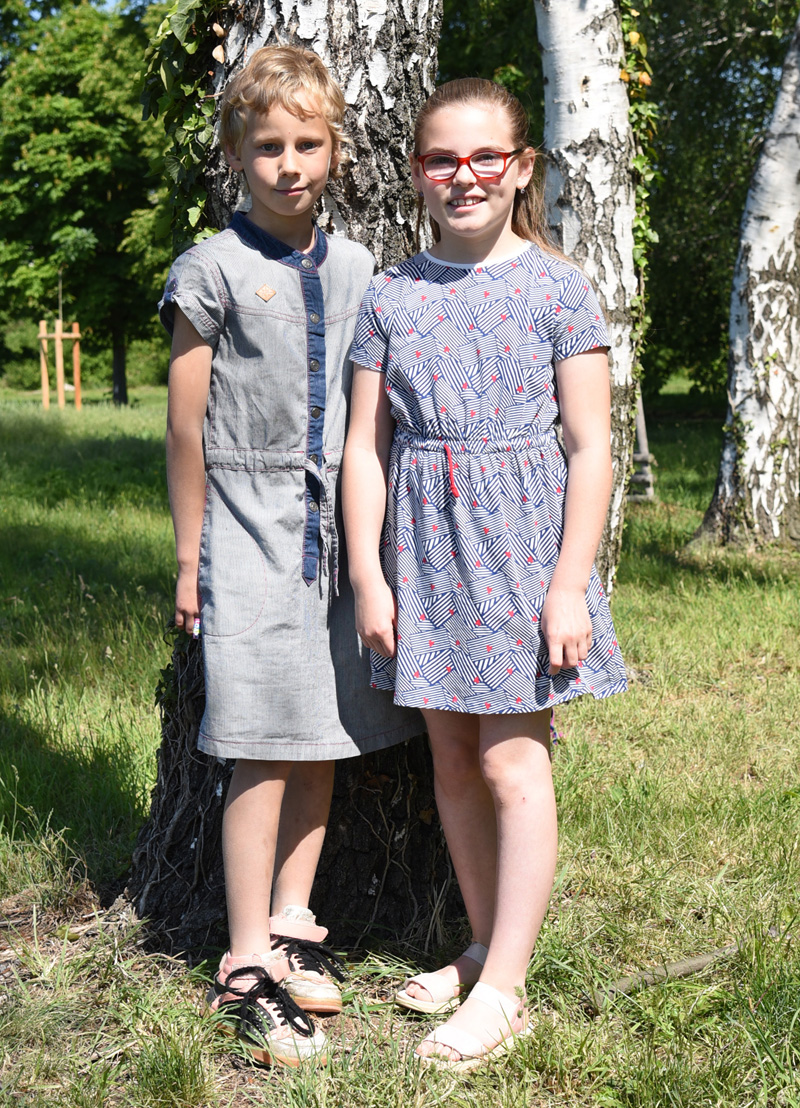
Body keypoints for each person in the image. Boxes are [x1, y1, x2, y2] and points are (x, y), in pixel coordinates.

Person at [342, 77, 627, 1072]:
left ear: (519, 168)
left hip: (521, 555)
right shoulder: (393, 294)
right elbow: (365, 449)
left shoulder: (556, 289)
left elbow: (590, 447)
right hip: (422, 552)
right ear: (416, 171)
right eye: (441, 159)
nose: (462, 177)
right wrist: (369, 579)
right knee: (453, 761)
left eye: (483, 158)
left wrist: (567, 584)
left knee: (512, 761)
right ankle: (480, 946)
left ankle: (506, 991)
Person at [160, 44, 420, 1068]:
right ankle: (242, 961)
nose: (289, 164)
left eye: (307, 144)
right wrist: (190, 557)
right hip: (247, 526)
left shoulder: (359, 269)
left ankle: (290, 919)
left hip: (340, 534)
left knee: (322, 736)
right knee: (260, 742)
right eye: (267, 146)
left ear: (336, 150)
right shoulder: (209, 271)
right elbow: (185, 429)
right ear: (235, 153)